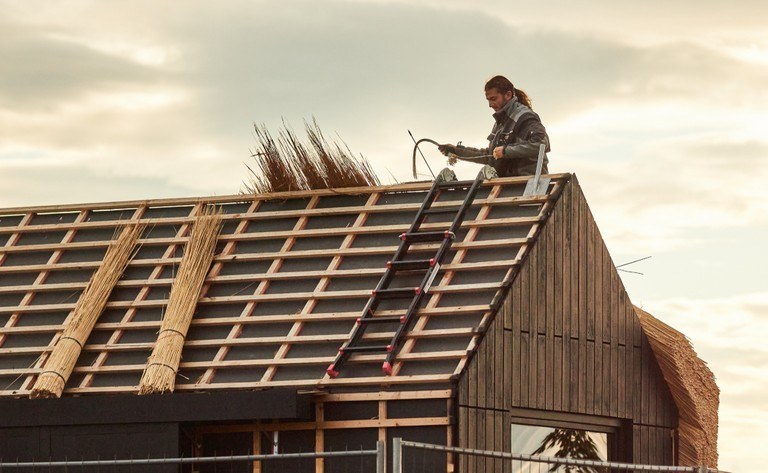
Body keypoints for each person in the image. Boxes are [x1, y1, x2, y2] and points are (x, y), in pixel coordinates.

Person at [439, 75, 550, 177]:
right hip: (507, 186)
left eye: (493, 99)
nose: (490, 105)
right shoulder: (500, 123)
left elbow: (542, 143)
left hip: (528, 185)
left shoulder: (524, 117)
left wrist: (506, 151)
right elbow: (491, 156)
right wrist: (456, 151)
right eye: (488, 100)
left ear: (508, 95)